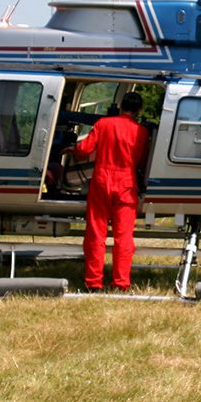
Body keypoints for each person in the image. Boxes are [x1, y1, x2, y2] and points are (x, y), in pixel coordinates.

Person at [63, 92, 149, 291]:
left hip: (102, 180)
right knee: (124, 237)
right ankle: (121, 283)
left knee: (95, 233)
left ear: (119, 105)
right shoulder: (141, 131)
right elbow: (143, 160)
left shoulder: (103, 124)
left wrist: (73, 150)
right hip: (127, 183)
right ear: (139, 111)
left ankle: (94, 283)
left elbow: (85, 150)